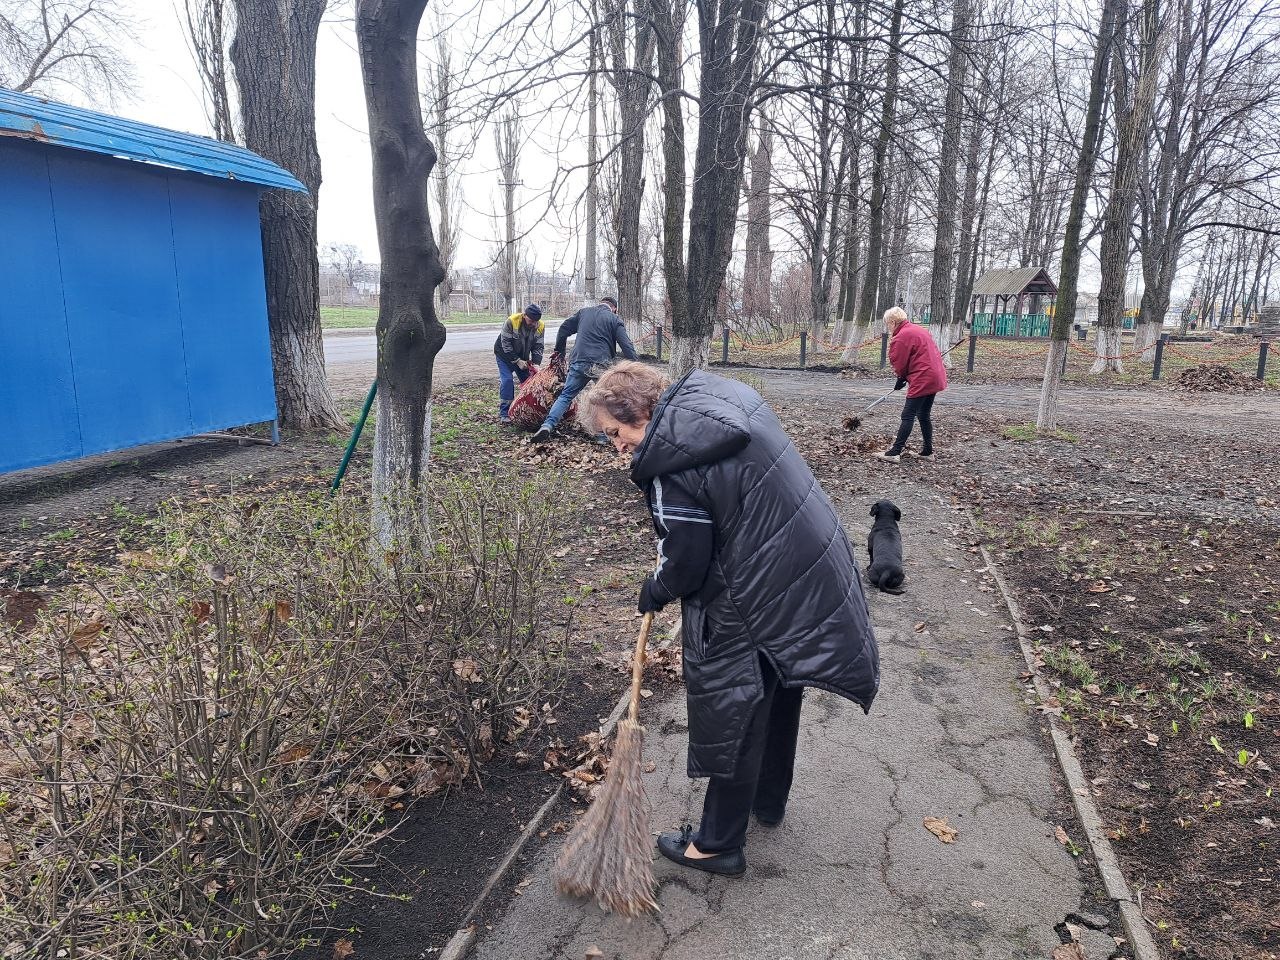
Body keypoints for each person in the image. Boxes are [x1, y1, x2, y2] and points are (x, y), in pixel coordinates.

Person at [577, 361, 879, 877]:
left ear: (643, 411)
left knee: (740, 705)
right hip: (799, 569)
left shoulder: (671, 461)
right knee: (778, 683)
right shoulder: (709, 408)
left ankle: (717, 843)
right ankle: (767, 798)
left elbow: (688, 561)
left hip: (761, 583)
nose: (618, 446)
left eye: (616, 432)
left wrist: (656, 589)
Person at [530, 297, 637, 443]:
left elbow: (563, 329)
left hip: (578, 360)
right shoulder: (614, 318)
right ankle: (601, 435)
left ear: (600, 303)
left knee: (566, 395)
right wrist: (637, 367)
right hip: (601, 364)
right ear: (614, 308)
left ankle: (547, 425)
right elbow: (626, 345)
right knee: (603, 400)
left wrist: (560, 351)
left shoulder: (584, 313)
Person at [875, 306, 948, 462]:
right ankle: (928, 452)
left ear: (893, 322)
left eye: (888, 323)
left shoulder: (902, 336)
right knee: (923, 414)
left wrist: (901, 377)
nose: (888, 327)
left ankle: (895, 452)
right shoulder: (918, 329)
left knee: (907, 415)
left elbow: (899, 361)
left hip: (923, 378)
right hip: (934, 376)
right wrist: (903, 377)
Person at [493, 304, 546, 423]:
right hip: (504, 356)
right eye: (531, 320)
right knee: (507, 380)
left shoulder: (540, 326)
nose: (533, 324)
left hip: (523, 357)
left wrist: (536, 363)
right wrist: (517, 361)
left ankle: (531, 411)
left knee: (529, 383)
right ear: (524, 315)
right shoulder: (512, 321)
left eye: (536, 321)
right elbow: (506, 344)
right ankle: (504, 413)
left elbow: (538, 346)